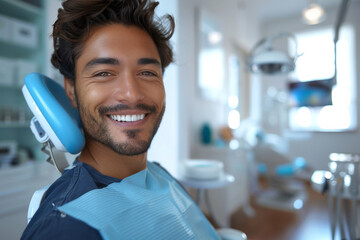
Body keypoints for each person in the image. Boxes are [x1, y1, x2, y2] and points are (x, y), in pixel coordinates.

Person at [21, 0, 221, 239]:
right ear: (72, 90)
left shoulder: (159, 174)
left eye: (147, 73)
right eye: (104, 73)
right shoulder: (65, 227)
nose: (132, 93)